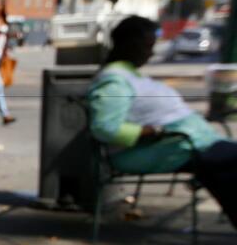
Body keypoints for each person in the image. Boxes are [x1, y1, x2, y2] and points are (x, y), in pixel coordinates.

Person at [88, 16, 237, 229]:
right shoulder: (114, 82)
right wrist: (152, 130)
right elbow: (104, 128)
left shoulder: (129, 75)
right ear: (129, 44)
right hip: (161, 148)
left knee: (224, 167)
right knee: (227, 163)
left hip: (186, 144)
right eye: (147, 46)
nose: (150, 53)